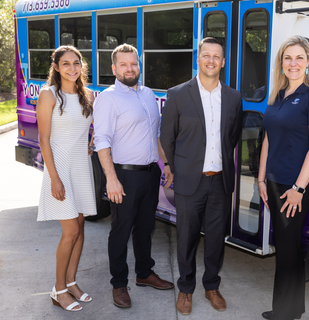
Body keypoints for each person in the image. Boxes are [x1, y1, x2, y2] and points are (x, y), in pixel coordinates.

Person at [161, 37, 243, 315]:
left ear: (223, 62)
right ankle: (186, 289)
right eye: (205, 55)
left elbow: (232, 136)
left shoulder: (233, 97)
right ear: (198, 59)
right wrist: (174, 166)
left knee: (216, 238)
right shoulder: (178, 94)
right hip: (188, 182)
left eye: (216, 56)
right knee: (186, 238)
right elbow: (166, 137)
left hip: (220, 181)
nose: (211, 60)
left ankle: (212, 285)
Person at [93, 43, 174, 308]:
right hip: (124, 177)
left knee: (145, 228)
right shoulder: (108, 98)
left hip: (150, 174)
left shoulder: (149, 94)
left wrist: (167, 164)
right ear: (114, 68)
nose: (130, 69)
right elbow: (101, 140)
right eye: (124, 65)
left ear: (139, 65)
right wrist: (111, 179)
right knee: (121, 230)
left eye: (134, 64)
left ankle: (144, 273)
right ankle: (119, 283)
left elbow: (156, 134)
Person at [258, 35, 309, 320]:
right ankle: (291, 309)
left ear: (308, 62)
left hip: (295, 187)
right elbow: (267, 139)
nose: (293, 63)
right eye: (288, 57)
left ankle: (284, 314)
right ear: (281, 62)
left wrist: (299, 188)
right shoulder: (277, 94)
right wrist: (262, 179)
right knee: (287, 247)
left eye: (299, 57)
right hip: (274, 183)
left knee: (287, 250)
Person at [36, 45, 96, 312]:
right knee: (70, 231)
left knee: (80, 226)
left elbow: (84, 129)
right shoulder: (49, 94)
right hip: (59, 167)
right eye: (66, 63)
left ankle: (71, 282)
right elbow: (44, 139)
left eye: (77, 63)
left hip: (81, 166)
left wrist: (89, 143)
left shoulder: (88, 95)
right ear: (57, 67)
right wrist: (54, 178)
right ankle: (58, 289)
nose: (72, 68)